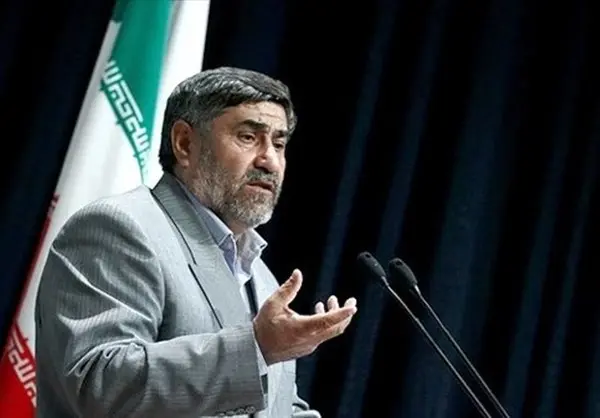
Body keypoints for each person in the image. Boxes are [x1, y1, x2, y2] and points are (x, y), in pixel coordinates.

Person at [34, 66, 358, 418]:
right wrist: (256, 348)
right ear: (185, 143)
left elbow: (274, 408)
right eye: (248, 137)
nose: (269, 160)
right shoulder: (119, 228)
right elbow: (101, 384)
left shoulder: (262, 277)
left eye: (279, 144)